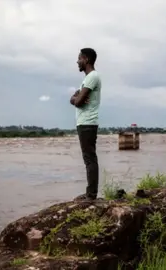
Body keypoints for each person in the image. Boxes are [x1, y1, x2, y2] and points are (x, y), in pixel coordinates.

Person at [69, 48, 101, 200]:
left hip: (88, 123)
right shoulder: (88, 78)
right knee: (88, 159)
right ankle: (90, 192)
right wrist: (75, 97)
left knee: (90, 159)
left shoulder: (92, 77)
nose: (77, 61)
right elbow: (76, 99)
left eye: (79, 58)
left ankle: (91, 194)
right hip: (84, 123)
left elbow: (78, 101)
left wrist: (76, 98)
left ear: (86, 59)